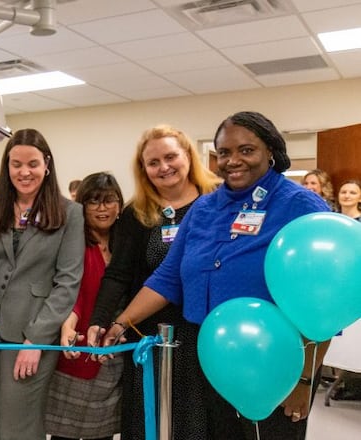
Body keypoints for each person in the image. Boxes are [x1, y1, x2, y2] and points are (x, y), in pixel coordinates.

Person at [101, 111, 331, 440]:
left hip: (275, 362)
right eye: (224, 152)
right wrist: (122, 322)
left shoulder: (300, 206)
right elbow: (168, 278)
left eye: (246, 150)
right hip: (212, 358)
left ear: (271, 151)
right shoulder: (205, 208)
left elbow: (322, 304)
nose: (233, 160)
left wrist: (304, 382)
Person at [86, 124, 220, 440]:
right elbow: (118, 274)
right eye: (153, 162)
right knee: (147, 419)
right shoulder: (136, 213)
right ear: (143, 169)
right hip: (149, 332)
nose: (164, 167)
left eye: (170, 156)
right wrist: (100, 320)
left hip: (204, 332)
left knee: (197, 420)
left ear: (188, 155)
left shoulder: (216, 202)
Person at [0, 128, 85, 440]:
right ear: (7, 166)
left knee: (19, 427)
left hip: (32, 332)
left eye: (32, 164)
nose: (24, 172)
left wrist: (36, 341)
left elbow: (67, 281)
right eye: (16, 164)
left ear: (47, 165)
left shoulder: (69, 213)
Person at [45, 172, 125, 440]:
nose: (102, 208)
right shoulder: (73, 242)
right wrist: (68, 325)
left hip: (114, 356)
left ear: (120, 204)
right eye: (93, 201)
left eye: (109, 200)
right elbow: (70, 293)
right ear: (81, 205)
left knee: (102, 434)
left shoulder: (125, 243)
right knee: (64, 434)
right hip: (76, 350)